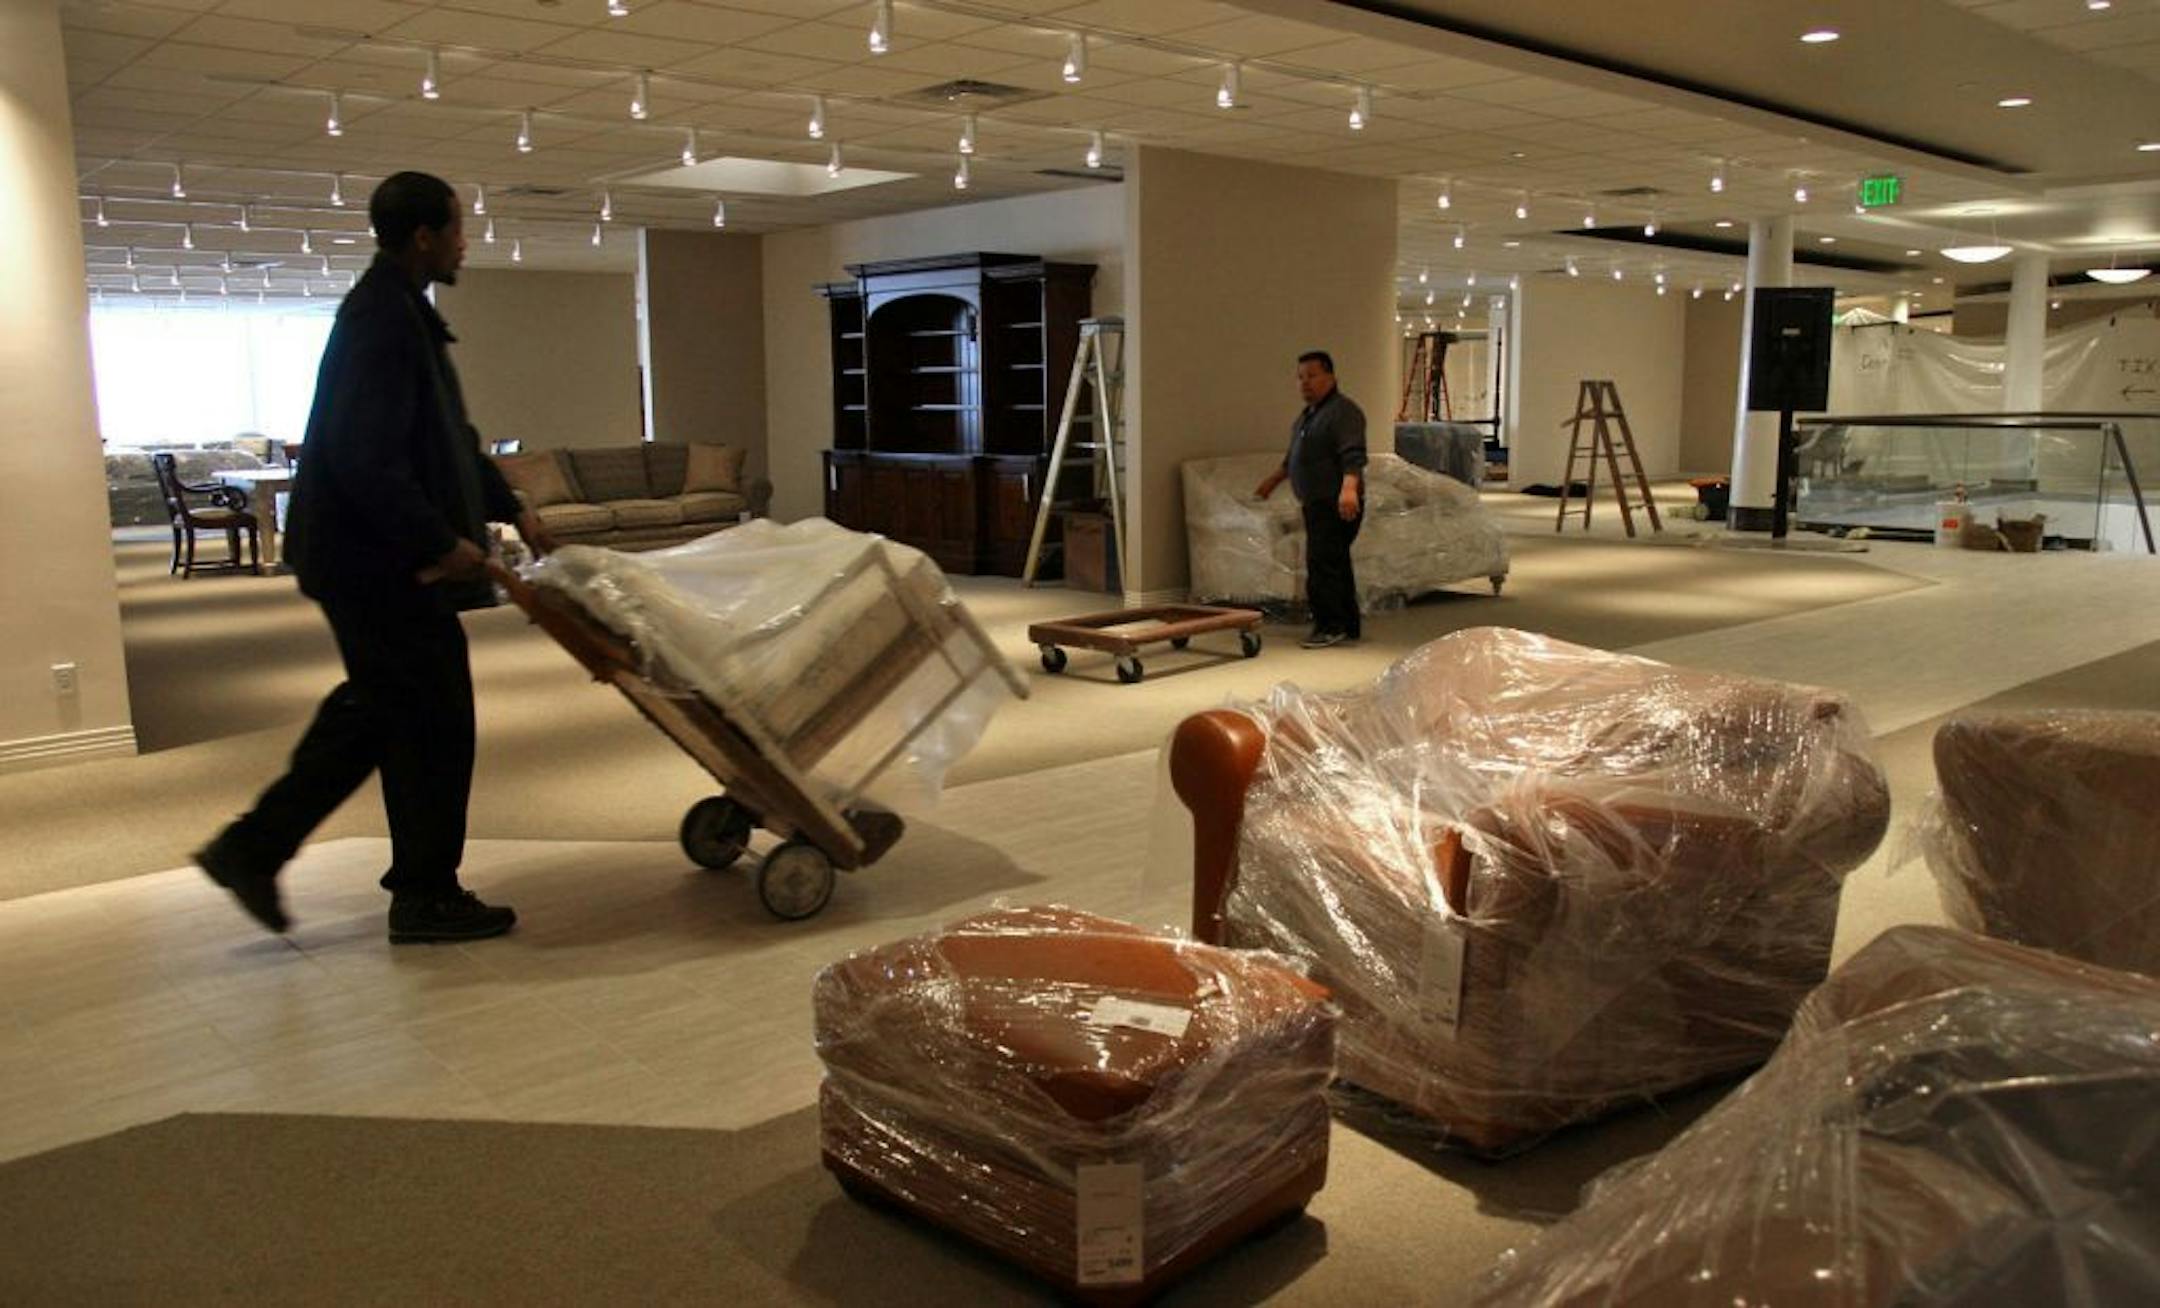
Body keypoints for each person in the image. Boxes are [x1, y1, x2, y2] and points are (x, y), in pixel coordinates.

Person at [194, 171, 557, 944]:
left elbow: (446, 439)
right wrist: (440, 543)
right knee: (430, 721)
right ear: (423, 236)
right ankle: (420, 893)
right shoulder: (380, 322)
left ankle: (256, 849)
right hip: (378, 564)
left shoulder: (402, 315)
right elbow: (364, 458)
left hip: (373, 560)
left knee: (387, 709)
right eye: (458, 228)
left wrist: (507, 505)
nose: (465, 241)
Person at [1255, 350, 1367, 648]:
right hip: (1315, 503)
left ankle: (1330, 625)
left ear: (1331, 377)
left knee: (1322, 565)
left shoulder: (1343, 412)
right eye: (1300, 377)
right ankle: (1348, 624)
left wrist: (1348, 489)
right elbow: (1293, 458)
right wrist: (1272, 481)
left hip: (1335, 501)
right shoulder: (1307, 417)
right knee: (1335, 562)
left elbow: (1353, 455)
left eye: (1312, 376)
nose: (1305, 383)